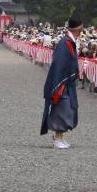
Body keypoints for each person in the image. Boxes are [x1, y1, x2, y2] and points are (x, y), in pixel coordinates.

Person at [41, 13, 82, 148]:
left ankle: (60, 137)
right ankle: (57, 138)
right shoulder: (65, 43)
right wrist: (61, 81)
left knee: (68, 108)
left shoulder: (69, 41)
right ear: (77, 28)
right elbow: (59, 63)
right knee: (62, 109)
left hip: (67, 81)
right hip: (62, 82)